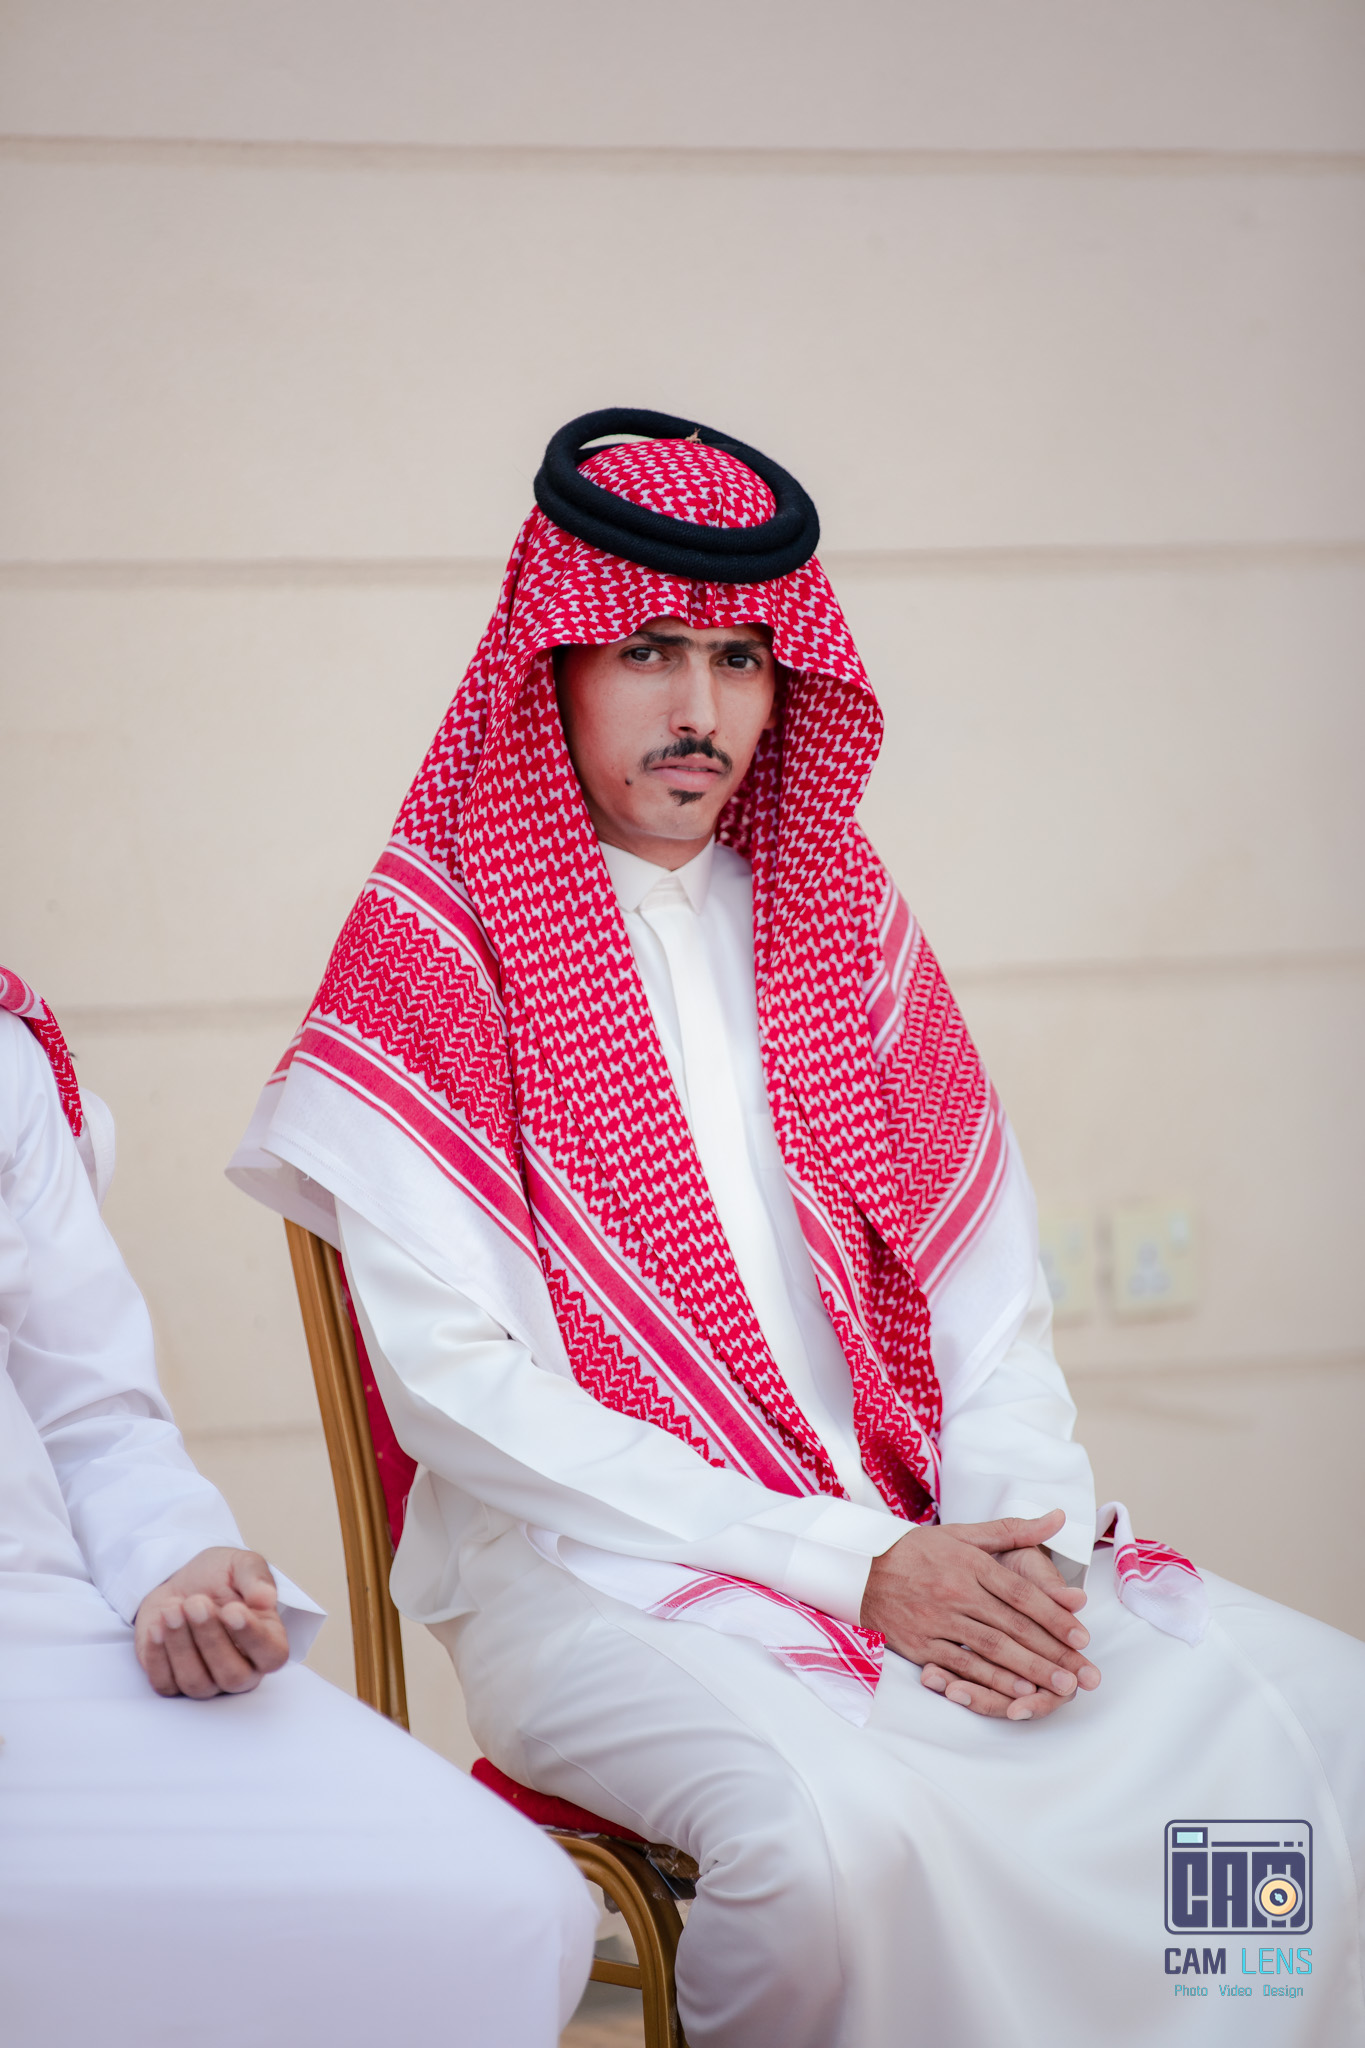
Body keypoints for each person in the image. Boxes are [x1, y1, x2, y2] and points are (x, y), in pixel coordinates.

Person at [230, 410, 1365, 2046]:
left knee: (1314, 1723)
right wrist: (853, 1565)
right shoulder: (437, 957)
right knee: (830, 1852)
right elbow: (463, 1396)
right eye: (649, 651)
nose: (701, 710)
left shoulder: (837, 917)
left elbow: (987, 1302)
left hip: (921, 1534)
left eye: (742, 659)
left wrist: (1011, 1546)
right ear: (552, 665)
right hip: (595, 1577)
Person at [0, 964, 594, 2048]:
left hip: (37, 1636)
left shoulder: (6, 1061)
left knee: (508, 1907)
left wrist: (176, 1561)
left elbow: (90, 1417)